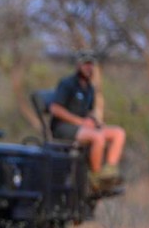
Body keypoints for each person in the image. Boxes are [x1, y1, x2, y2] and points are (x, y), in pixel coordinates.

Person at [48, 51, 126, 185]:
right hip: (64, 128)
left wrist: (94, 122)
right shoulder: (67, 84)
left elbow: (88, 112)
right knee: (98, 137)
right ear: (78, 65)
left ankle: (108, 172)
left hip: (84, 127)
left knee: (118, 133)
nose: (89, 68)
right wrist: (80, 122)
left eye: (91, 65)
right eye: (85, 64)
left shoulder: (89, 87)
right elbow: (55, 109)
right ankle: (96, 178)